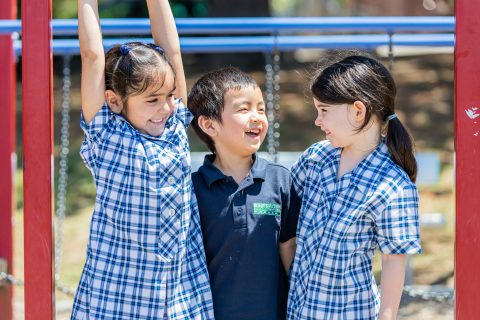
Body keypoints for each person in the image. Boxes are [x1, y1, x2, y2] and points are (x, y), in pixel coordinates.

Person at [71, 0, 213, 318]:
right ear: (114, 101)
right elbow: (93, 56)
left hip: (178, 293)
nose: (165, 107)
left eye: (168, 96)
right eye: (152, 100)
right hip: (119, 293)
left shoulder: (174, 126)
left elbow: (171, 51)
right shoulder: (107, 136)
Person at [287, 54, 421, 320]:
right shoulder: (316, 158)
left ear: (358, 111)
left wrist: (386, 317)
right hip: (297, 310)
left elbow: (394, 260)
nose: (317, 120)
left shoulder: (392, 185)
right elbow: (286, 219)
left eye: (323, 110)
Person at [188, 67, 301, 319]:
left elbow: (289, 253)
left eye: (261, 109)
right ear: (208, 124)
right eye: (243, 109)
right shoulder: (192, 190)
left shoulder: (280, 180)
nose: (257, 117)